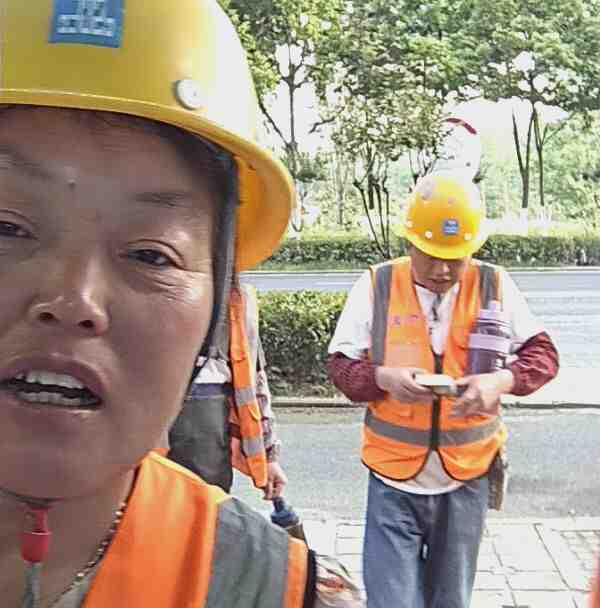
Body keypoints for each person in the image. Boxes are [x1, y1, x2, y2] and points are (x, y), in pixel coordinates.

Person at [0, 1, 361, 607]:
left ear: (215, 315)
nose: (73, 299)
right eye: (6, 228)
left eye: (151, 255)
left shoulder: (272, 589)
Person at [328, 174, 560, 608]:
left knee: (450, 601)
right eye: (432, 256)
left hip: (466, 481)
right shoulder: (377, 285)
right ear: (409, 244)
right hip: (393, 483)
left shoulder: (494, 284)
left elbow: (544, 356)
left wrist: (501, 381)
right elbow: (341, 367)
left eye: (456, 259)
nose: (442, 270)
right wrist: (384, 378)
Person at [167, 277, 287, 500]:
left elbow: (252, 378)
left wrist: (269, 456)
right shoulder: (235, 295)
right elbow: (254, 380)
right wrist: (268, 455)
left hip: (201, 417)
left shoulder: (236, 298)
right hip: (201, 416)